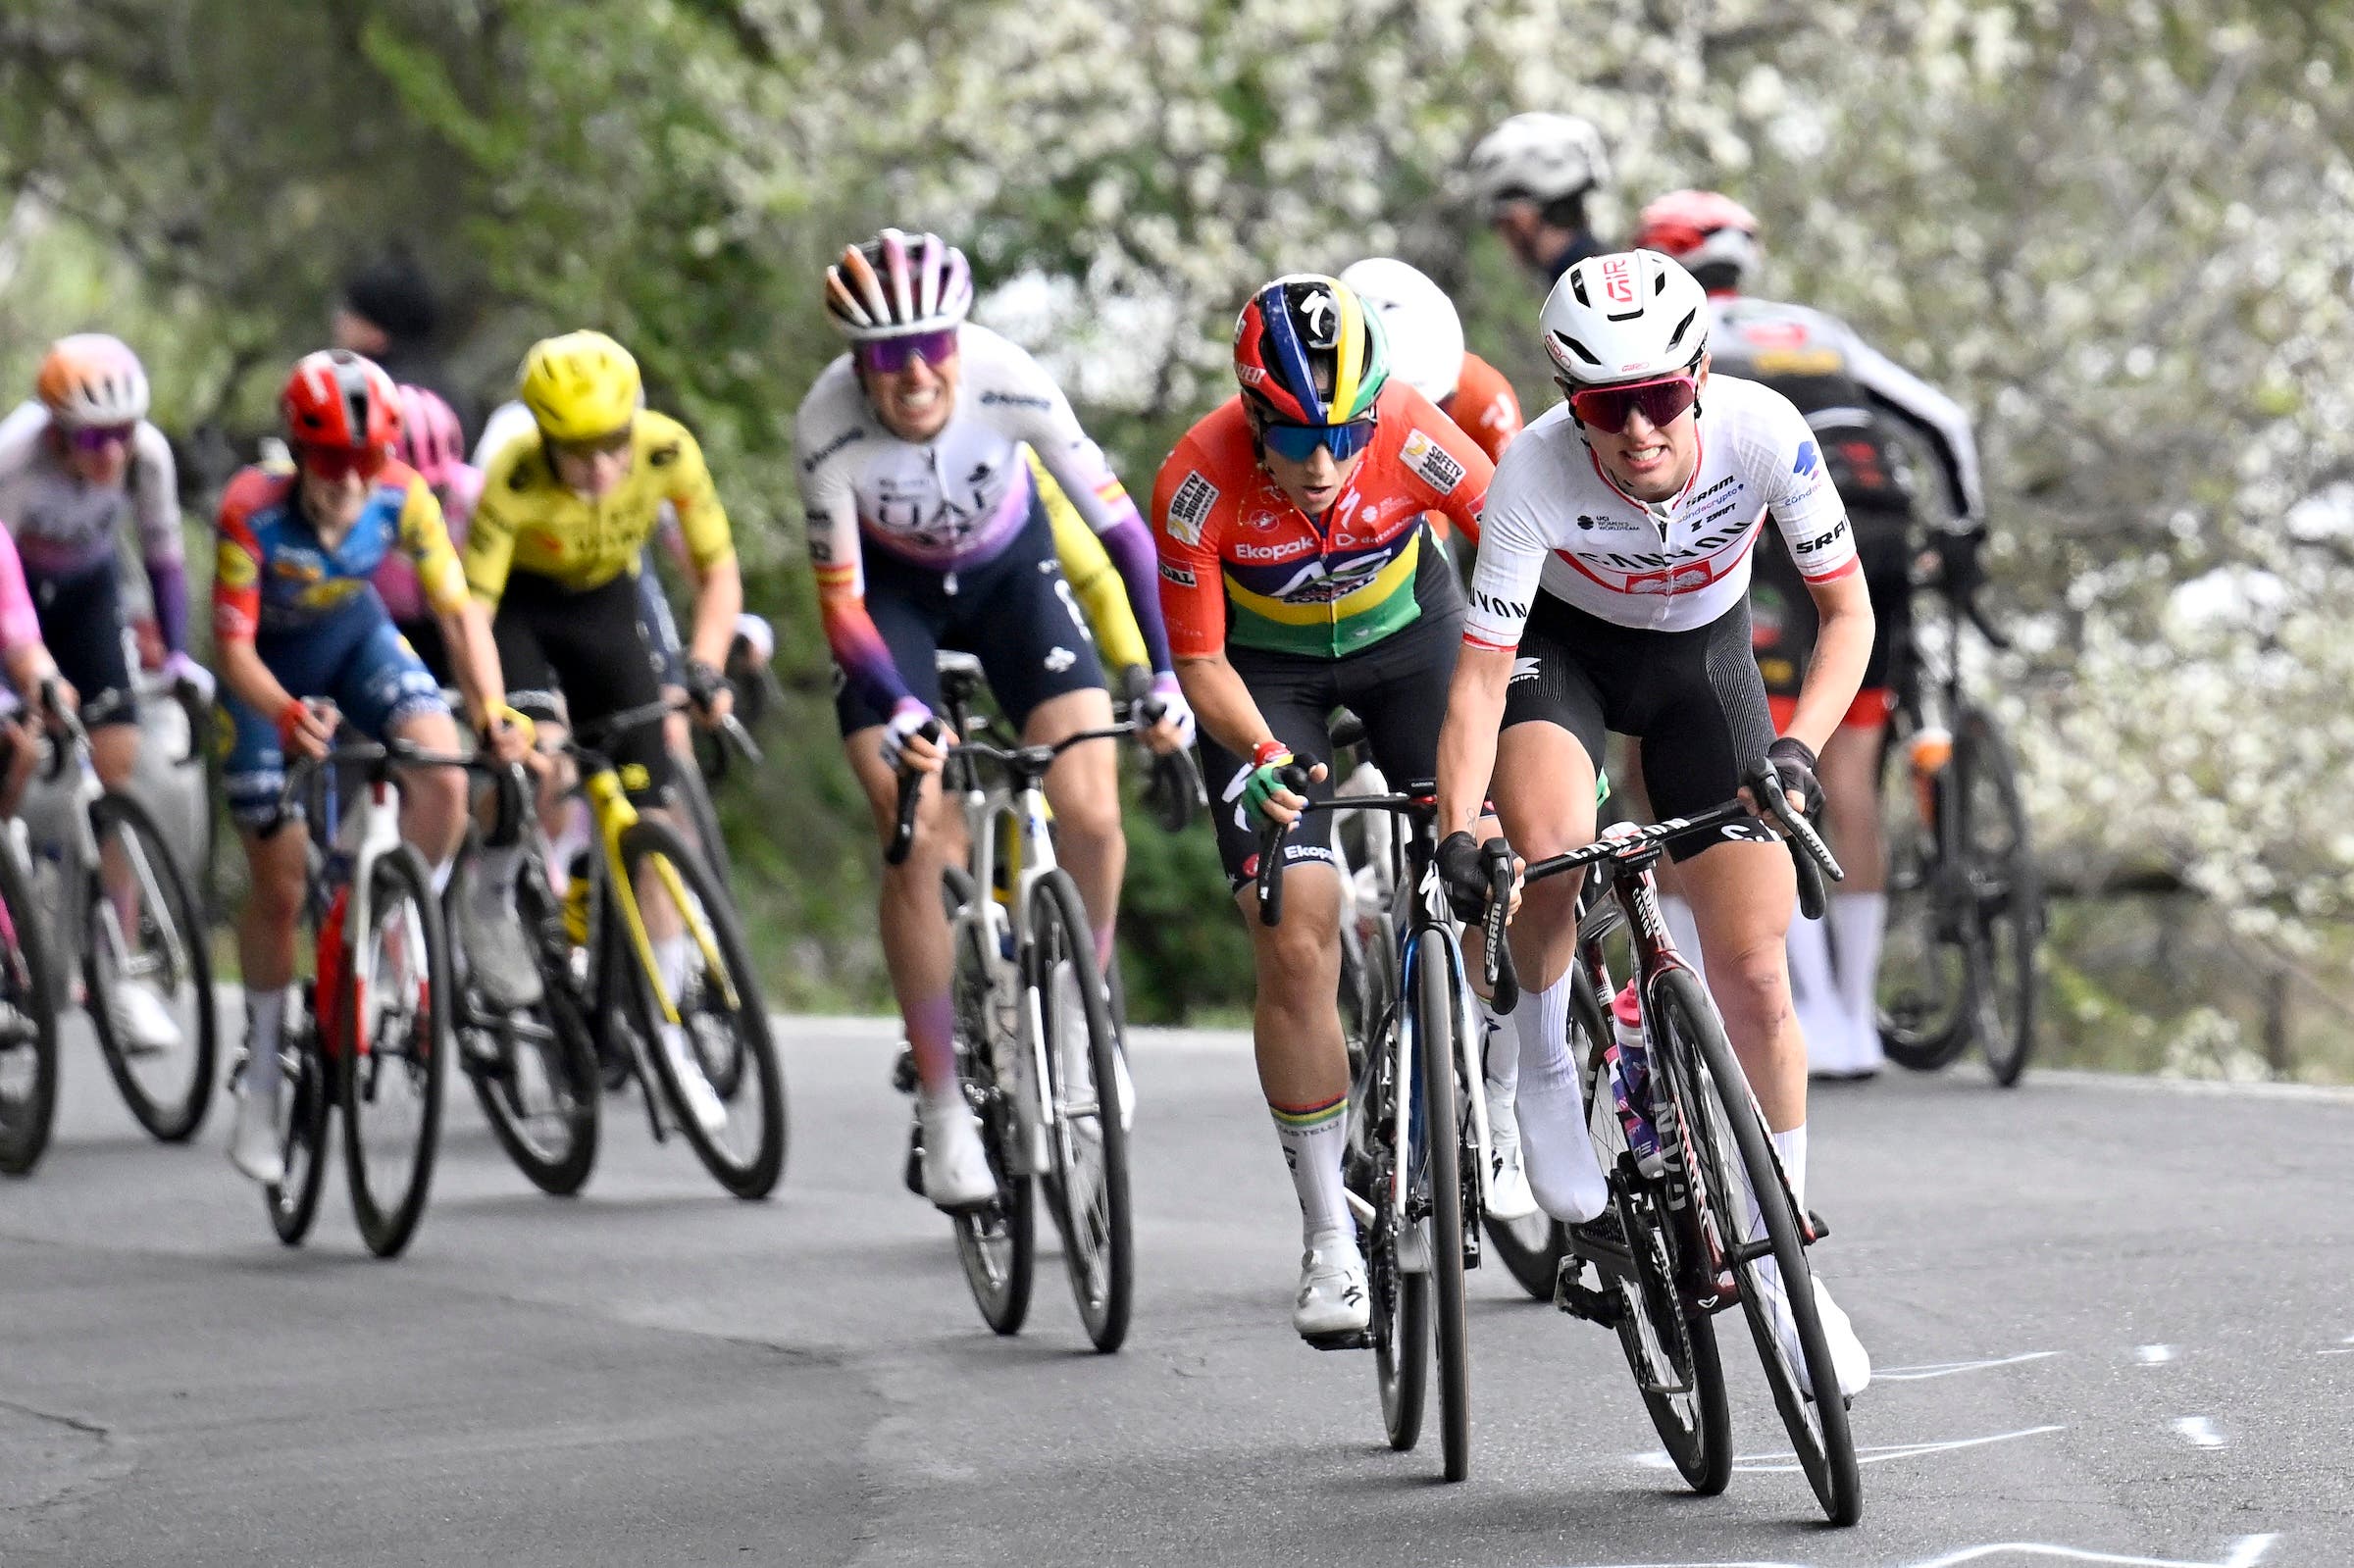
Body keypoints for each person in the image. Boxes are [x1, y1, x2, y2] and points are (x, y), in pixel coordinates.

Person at [1431, 250, 1871, 1399]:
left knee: (1757, 973)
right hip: (1561, 660)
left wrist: (1798, 748)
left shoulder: (1765, 434)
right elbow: (1479, 681)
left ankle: (1785, 1267)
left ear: (1701, 377)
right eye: (1603, 406)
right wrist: (1463, 825)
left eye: (1660, 398)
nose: (1635, 430)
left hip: (1702, 664)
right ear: (1568, 400)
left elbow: (1846, 615)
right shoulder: (1531, 472)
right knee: (1551, 853)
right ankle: (1539, 1064)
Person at [795, 228, 1192, 1212]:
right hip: (894, 606)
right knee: (914, 825)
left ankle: (1082, 1013)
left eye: (932, 346)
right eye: (888, 355)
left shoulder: (1009, 378)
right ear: (857, 362)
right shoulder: (827, 425)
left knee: (1091, 807)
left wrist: (1166, 676)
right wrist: (898, 707)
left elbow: (1124, 535)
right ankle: (942, 1106)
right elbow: (841, 607)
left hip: (1012, 579)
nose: (914, 374)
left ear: (959, 342)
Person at [1154, 274, 1498, 1339]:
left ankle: (1498, 1088)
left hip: (1412, 643)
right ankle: (1328, 1236)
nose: (1324, 463)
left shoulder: (1414, 432)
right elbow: (1199, 662)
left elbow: (1516, 543)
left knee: (1491, 852)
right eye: (1299, 437)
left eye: (1346, 434)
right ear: (1253, 415)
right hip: (1267, 684)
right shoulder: (1196, 481)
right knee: (1295, 931)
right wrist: (1260, 752)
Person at [1633, 191, 1987, 1078]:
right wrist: (1965, 533)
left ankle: (1811, 1009)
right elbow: (1945, 422)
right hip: (1885, 526)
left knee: (1761, 764)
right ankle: (1855, 1017)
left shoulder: (1681, 341)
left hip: (1787, 541)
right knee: (1851, 773)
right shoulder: (1814, 327)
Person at [215, 349, 529, 1184]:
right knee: (280, 885)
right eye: (329, 460)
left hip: (356, 641)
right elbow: (233, 648)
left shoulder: (404, 495)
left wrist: (493, 711)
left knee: (446, 774)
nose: (349, 480)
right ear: (297, 451)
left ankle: (375, 914)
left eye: (365, 458)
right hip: (267, 675)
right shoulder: (250, 510)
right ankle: (264, 1072)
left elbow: (458, 614)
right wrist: (284, 712)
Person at [461, 329, 744, 1133]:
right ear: (544, 438)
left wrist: (706, 665)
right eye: (576, 453)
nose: (599, 469)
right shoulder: (513, 476)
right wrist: (493, 712)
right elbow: (472, 610)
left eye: (613, 445)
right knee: (539, 764)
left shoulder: (667, 450)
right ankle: (494, 889)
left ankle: (670, 1036)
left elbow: (716, 569)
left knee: (653, 824)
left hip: (605, 610)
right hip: (521, 614)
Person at [1329, 255, 1537, 1223]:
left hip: (1450, 575)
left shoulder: (1481, 398)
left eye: (1437, 401)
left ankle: (1501, 1077)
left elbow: (1517, 542)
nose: (1424, 417)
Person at [0, 335, 205, 1051]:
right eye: (92, 437)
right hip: (16, 603)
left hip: (88, 596)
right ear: (56, 431)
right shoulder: (14, 458)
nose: (112, 452)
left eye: (122, 432)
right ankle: (16, 894)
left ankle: (120, 963)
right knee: (17, 749)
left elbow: (164, 557)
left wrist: (176, 654)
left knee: (119, 760)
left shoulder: (147, 457)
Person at [372, 385, 482, 685]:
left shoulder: (475, 497)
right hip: (388, 630)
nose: (423, 508)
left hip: (465, 621)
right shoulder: (352, 511)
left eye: (437, 491)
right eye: (407, 498)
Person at [333, 248, 479, 441]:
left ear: (378, 334)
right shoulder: (455, 401)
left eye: (352, 313)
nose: (340, 321)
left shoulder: (369, 401)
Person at [1466, 113, 1613, 283]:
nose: (1502, 239)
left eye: (1501, 222)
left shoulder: (1576, 288)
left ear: (1521, 216)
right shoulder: (1613, 277)